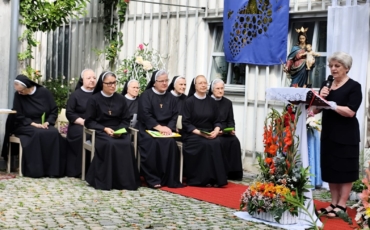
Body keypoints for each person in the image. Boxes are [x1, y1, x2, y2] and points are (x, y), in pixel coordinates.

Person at [314, 52, 362, 218]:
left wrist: (333, 105)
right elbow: (315, 110)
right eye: (331, 66)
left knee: (345, 169)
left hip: (346, 135)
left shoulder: (354, 87)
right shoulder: (326, 85)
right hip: (329, 133)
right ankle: (333, 203)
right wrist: (321, 97)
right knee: (330, 168)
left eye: (337, 66)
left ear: (346, 68)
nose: (333, 69)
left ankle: (342, 205)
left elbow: (350, 112)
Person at [84, 71, 140, 190]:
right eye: (109, 83)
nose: (113, 86)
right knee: (110, 144)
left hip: (118, 130)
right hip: (100, 131)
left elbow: (126, 119)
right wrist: (104, 129)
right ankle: (108, 181)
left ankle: (124, 182)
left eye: (114, 83)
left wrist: (119, 131)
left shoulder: (121, 99)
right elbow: (89, 121)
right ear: (102, 84)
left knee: (127, 145)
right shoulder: (94, 99)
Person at [11, 74, 66, 178]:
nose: (19, 93)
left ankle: (53, 170)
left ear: (28, 87)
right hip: (25, 123)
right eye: (18, 91)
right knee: (37, 133)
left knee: (53, 133)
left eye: (21, 91)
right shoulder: (18, 95)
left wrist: (48, 122)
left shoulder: (44, 92)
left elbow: (53, 110)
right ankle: (37, 171)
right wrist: (33, 124)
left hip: (43, 123)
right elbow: (18, 114)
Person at [137, 70, 183, 188]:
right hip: (148, 128)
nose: (164, 83)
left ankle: (169, 179)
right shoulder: (146, 95)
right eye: (161, 81)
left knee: (170, 143)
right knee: (151, 143)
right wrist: (158, 127)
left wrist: (168, 128)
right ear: (154, 82)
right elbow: (145, 114)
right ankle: (152, 179)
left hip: (166, 129)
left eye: (166, 80)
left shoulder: (170, 97)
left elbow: (174, 115)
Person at [182, 75, 227, 187]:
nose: (203, 85)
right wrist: (200, 133)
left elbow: (218, 120)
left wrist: (216, 131)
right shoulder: (189, 102)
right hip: (193, 134)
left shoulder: (212, 102)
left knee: (216, 142)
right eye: (200, 83)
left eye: (205, 83)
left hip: (209, 132)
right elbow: (186, 123)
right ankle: (200, 179)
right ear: (195, 86)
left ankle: (215, 179)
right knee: (204, 144)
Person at [208, 79, 243, 180]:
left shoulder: (228, 103)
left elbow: (231, 120)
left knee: (235, 141)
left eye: (222, 88)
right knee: (219, 142)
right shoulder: (208, 102)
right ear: (212, 89)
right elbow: (207, 120)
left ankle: (233, 173)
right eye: (217, 88)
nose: (220, 91)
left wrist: (231, 129)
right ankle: (221, 172)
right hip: (213, 131)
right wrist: (216, 131)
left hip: (225, 132)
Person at [65, 69, 96, 177]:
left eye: (94, 78)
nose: (92, 80)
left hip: (96, 125)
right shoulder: (76, 95)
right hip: (79, 125)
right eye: (89, 78)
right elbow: (69, 113)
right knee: (83, 135)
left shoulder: (99, 94)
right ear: (82, 80)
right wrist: (84, 122)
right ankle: (80, 170)